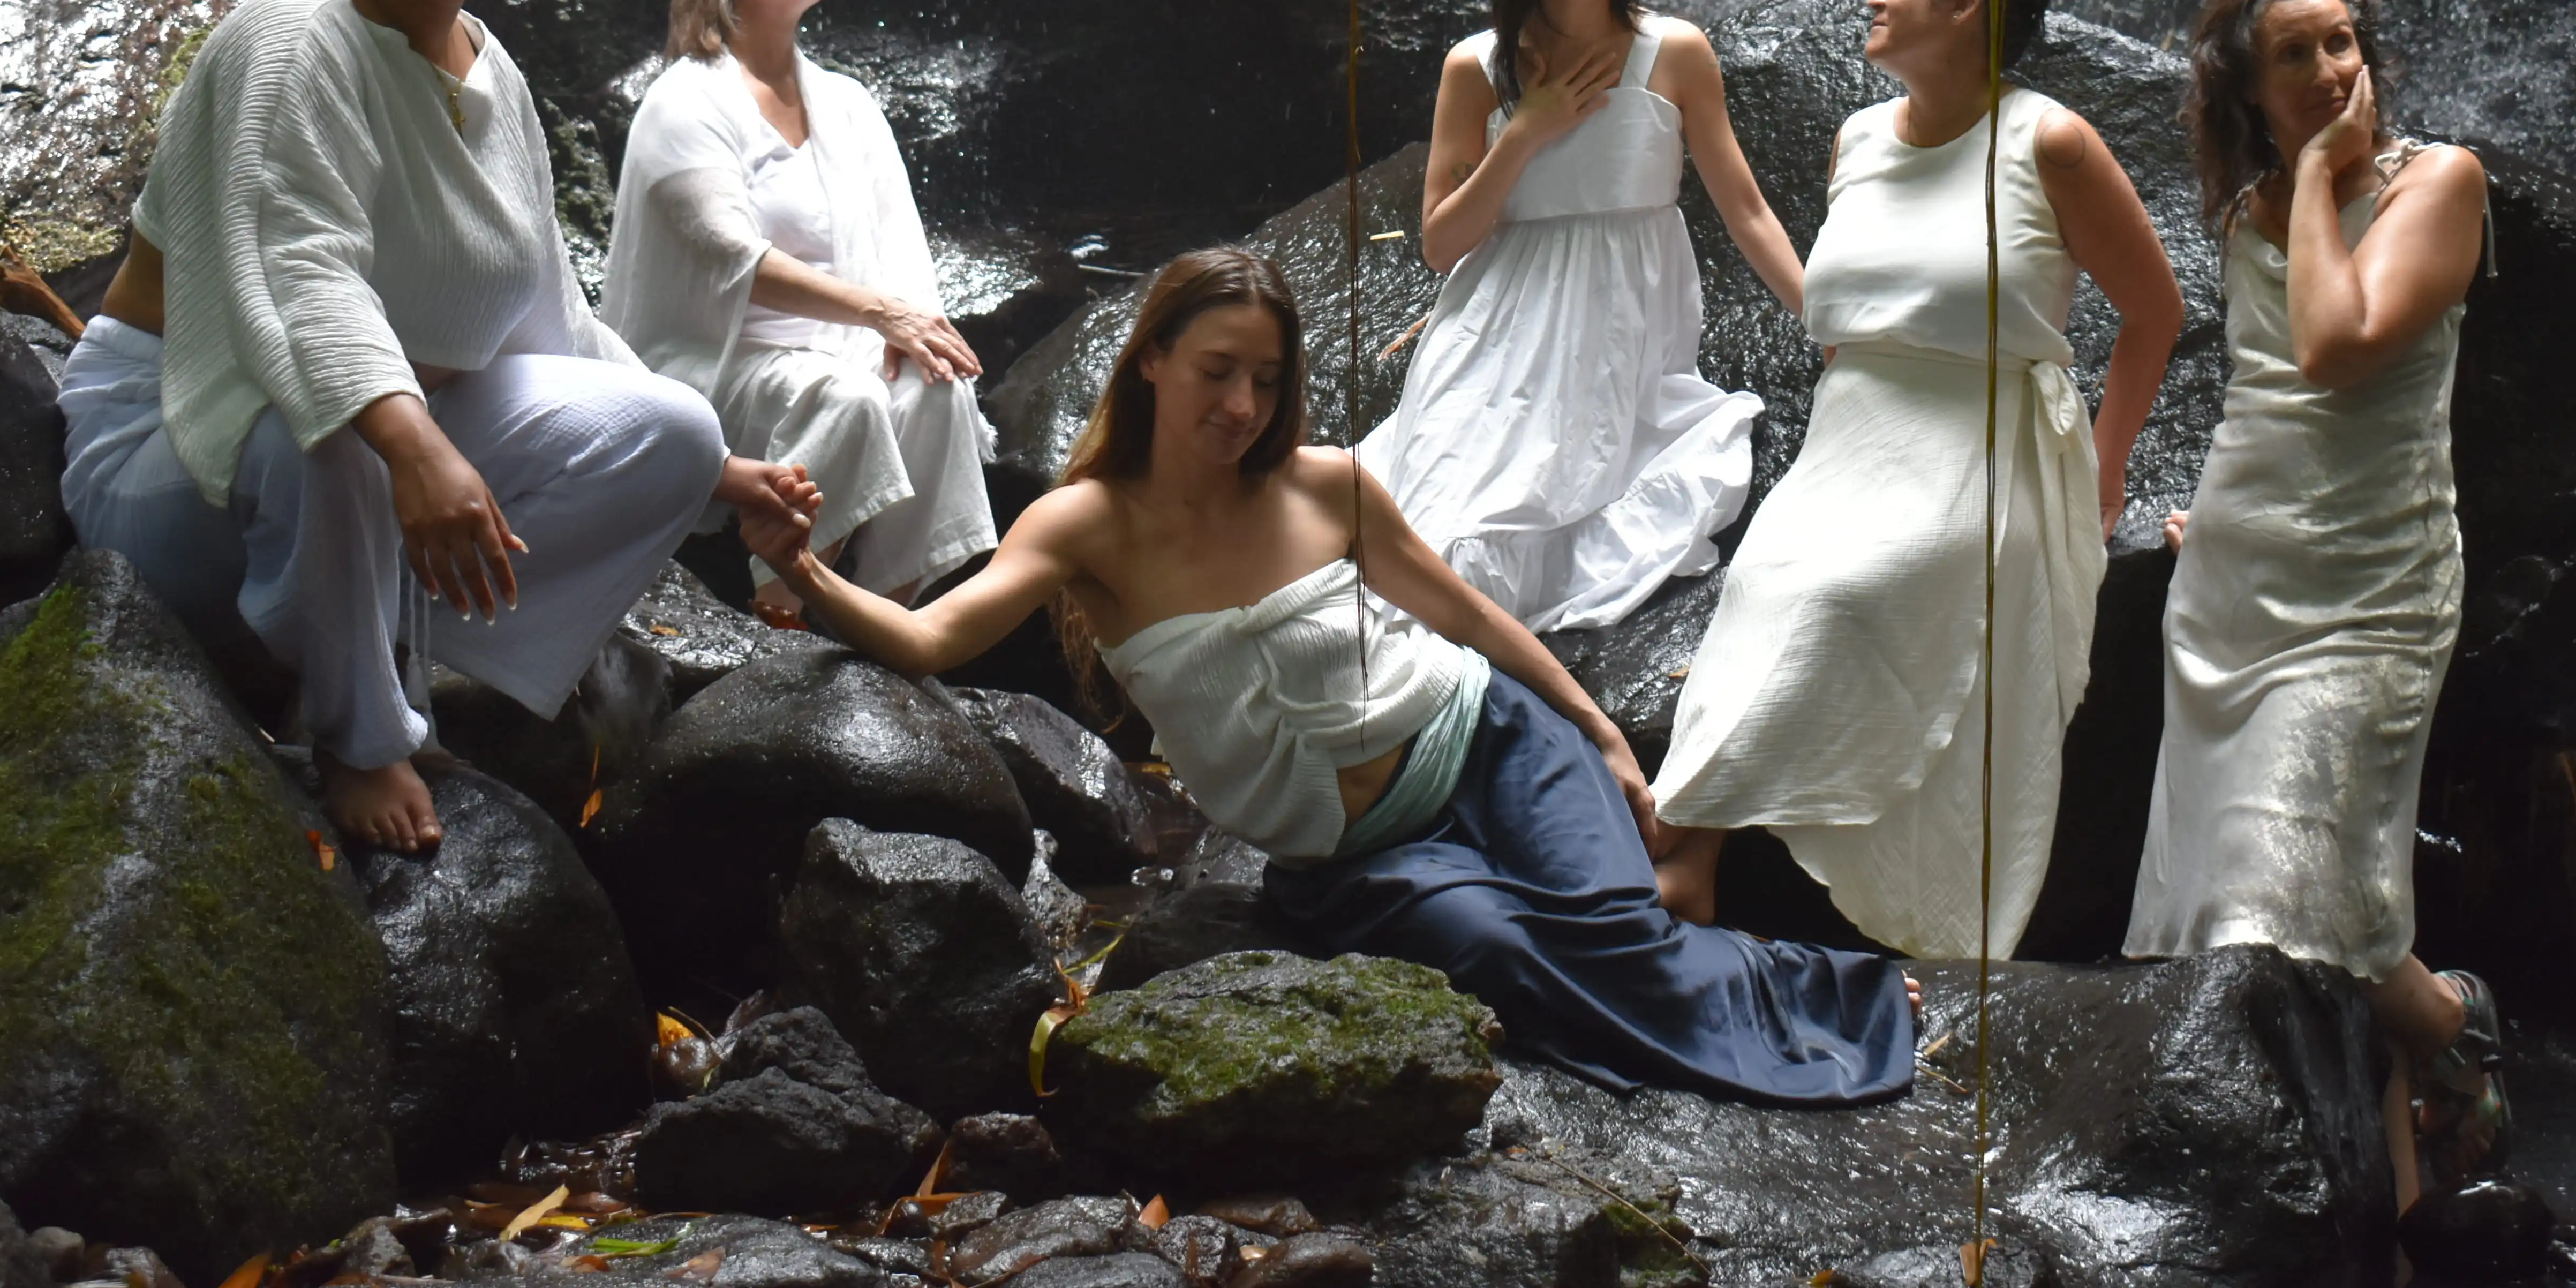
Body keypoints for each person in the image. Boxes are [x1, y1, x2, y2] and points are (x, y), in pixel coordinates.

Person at [775, 247, 1921, 1105]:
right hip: (1363, 853)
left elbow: (1468, 616)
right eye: (1217, 371)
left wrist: (1600, 728)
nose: (1242, 406)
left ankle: (1739, 929)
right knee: (1503, 952)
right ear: (1153, 359)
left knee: (1614, 931)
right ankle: (1761, 946)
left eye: (1267, 380)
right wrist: (806, 571)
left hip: (1486, 738)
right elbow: (933, 640)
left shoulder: (1327, 486)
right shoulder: (1086, 525)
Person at [56, 0, 819, 853]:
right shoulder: (288, 40)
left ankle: (389, 633)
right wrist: (415, 446)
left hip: (361, 441)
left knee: (666, 426)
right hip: (176, 446)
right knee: (348, 431)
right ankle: (355, 733)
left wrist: (723, 467)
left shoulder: (492, 74)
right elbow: (300, 278)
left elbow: (549, 320)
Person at [1651, 0, 2183, 956]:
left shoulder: (2051, 141)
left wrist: (2104, 471)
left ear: (1963, 5)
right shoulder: (1856, 137)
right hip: (1854, 440)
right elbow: (1850, 313)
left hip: (1985, 444)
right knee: (1764, 587)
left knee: (1842, 596)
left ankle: (1696, 856)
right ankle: (1693, 861)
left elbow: (2153, 313)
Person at [2118, 0, 2500, 1213]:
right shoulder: (2245, 213)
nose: (2335, 70)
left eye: (2344, 42)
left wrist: (2331, 174)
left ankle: (2453, 1021)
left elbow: (2337, 348)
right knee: (2298, 914)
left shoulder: (2437, 183)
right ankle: (2385, 1229)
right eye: (2299, 53)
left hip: (2376, 589)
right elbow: (2264, 390)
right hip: (2239, 583)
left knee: (2278, 900)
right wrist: (2217, 518)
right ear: (2247, 83)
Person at [1355, 0, 1794, 634]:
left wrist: (1824, 313)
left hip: (1618, 328)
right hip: (1493, 328)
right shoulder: (1476, 67)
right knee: (1445, 539)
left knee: (1524, 529)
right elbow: (1440, 245)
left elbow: (1748, 210)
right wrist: (1524, 132)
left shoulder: (1677, 52)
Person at [602, 0, 996, 611]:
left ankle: (893, 623)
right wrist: (878, 314)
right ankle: (781, 610)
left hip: (838, 348)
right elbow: (731, 259)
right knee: (846, 400)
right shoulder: (683, 101)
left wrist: (909, 329)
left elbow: (899, 243)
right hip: (716, 362)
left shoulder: (847, 103)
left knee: (938, 392)